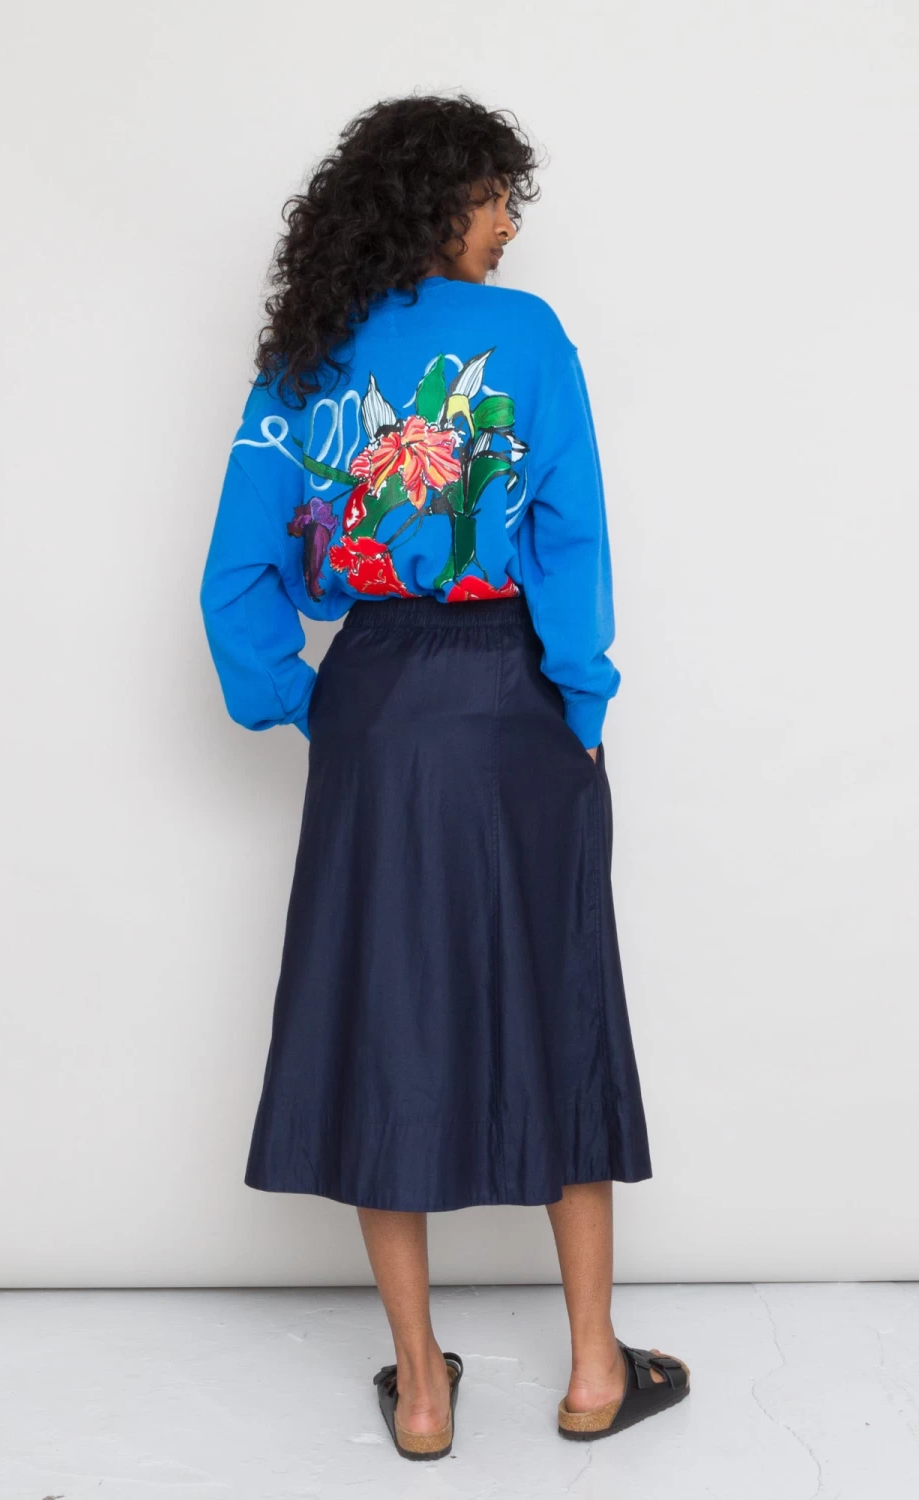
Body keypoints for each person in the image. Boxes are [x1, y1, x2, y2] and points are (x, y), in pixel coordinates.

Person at [198, 94, 690, 1460]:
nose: (509, 219)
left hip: (374, 695)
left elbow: (236, 572)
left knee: (384, 1015)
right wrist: (580, 696)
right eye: (493, 193)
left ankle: (421, 1388)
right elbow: (571, 533)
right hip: (512, 695)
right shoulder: (525, 337)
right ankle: (594, 1371)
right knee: (560, 1002)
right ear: (438, 200)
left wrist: (305, 699)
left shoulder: (310, 352)